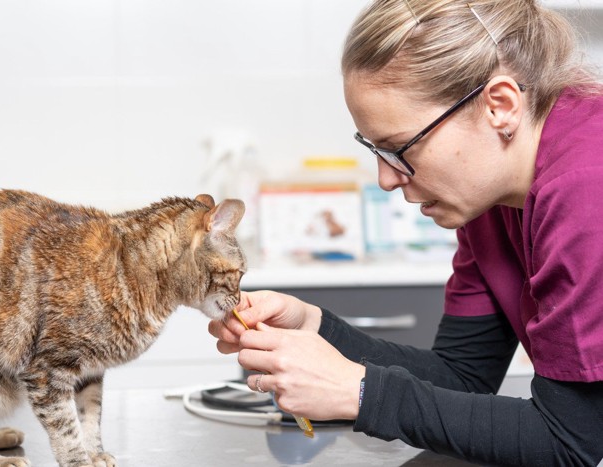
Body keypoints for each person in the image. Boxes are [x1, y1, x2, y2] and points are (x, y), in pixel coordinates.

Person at [208, 0, 603, 465]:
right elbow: (461, 376)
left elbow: (567, 441)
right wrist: (316, 328)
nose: (387, 178)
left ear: (499, 106)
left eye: (400, 148)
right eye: (375, 150)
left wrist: (357, 394)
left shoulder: (586, 186)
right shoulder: (489, 200)